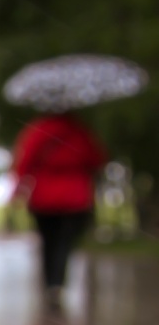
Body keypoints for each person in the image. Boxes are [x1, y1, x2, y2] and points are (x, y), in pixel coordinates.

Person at [10, 112, 107, 304]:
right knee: (65, 242)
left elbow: (24, 162)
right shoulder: (80, 130)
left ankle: (50, 283)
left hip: (44, 196)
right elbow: (97, 159)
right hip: (75, 196)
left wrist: (18, 190)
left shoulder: (38, 130)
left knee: (48, 241)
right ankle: (58, 284)